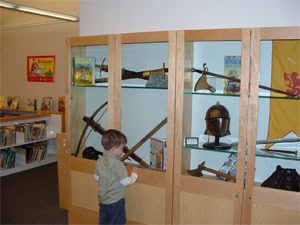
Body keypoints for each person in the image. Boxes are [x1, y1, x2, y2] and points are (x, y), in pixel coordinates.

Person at [94, 129, 139, 225]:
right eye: (122, 148)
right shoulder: (118, 164)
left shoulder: (99, 161)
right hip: (116, 202)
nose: (122, 151)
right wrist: (134, 175)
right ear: (114, 149)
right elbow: (125, 182)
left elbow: (97, 178)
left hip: (103, 201)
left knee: (104, 222)